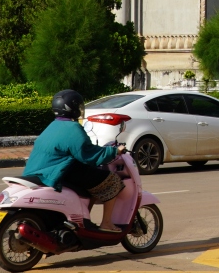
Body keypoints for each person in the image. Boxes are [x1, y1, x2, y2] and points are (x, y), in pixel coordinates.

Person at [21, 89, 134, 232]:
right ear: (72, 108)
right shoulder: (73, 128)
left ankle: (84, 221)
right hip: (56, 173)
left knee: (93, 183)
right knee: (111, 182)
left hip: (41, 171)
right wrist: (114, 151)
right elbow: (88, 155)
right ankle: (106, 223)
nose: (81, 110)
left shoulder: (53, 125)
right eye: (79, 107)